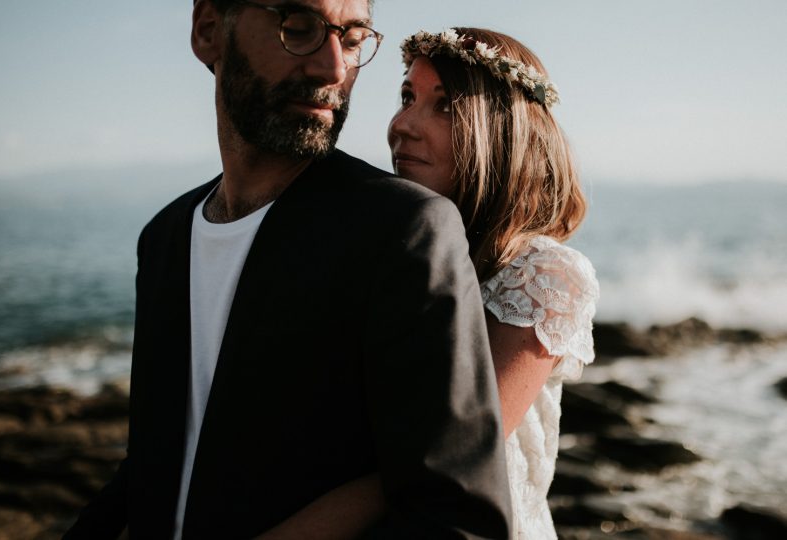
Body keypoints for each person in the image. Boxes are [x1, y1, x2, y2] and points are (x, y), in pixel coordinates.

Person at [63, 3, 513, 539]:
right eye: (298, 28)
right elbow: (153, 462)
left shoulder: (405, 231)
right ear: (209, 31)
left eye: (351, 39)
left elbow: (455, 517)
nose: (334, 69)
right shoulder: (164, 238)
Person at [258, 28, 600, 539]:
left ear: (499, 130)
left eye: (444, 107)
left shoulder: (542, 275)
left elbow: (447, 461)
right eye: (406, 97)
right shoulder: (389, 254)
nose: (403, 126)